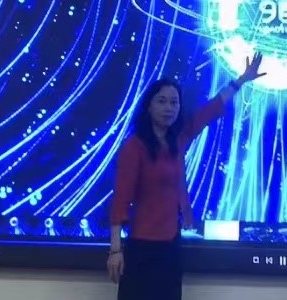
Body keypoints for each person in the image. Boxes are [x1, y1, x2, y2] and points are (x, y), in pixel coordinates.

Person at [107, 53, 266, 300]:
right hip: (142, 247)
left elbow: (211, 108)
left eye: (174, 102)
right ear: (149, 106)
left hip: (171, 245)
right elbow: (121, 200)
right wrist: (115, 250)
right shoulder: (134, 147)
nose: (169, 108)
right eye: (162, 101)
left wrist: (241, 80)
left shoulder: (179, 139)